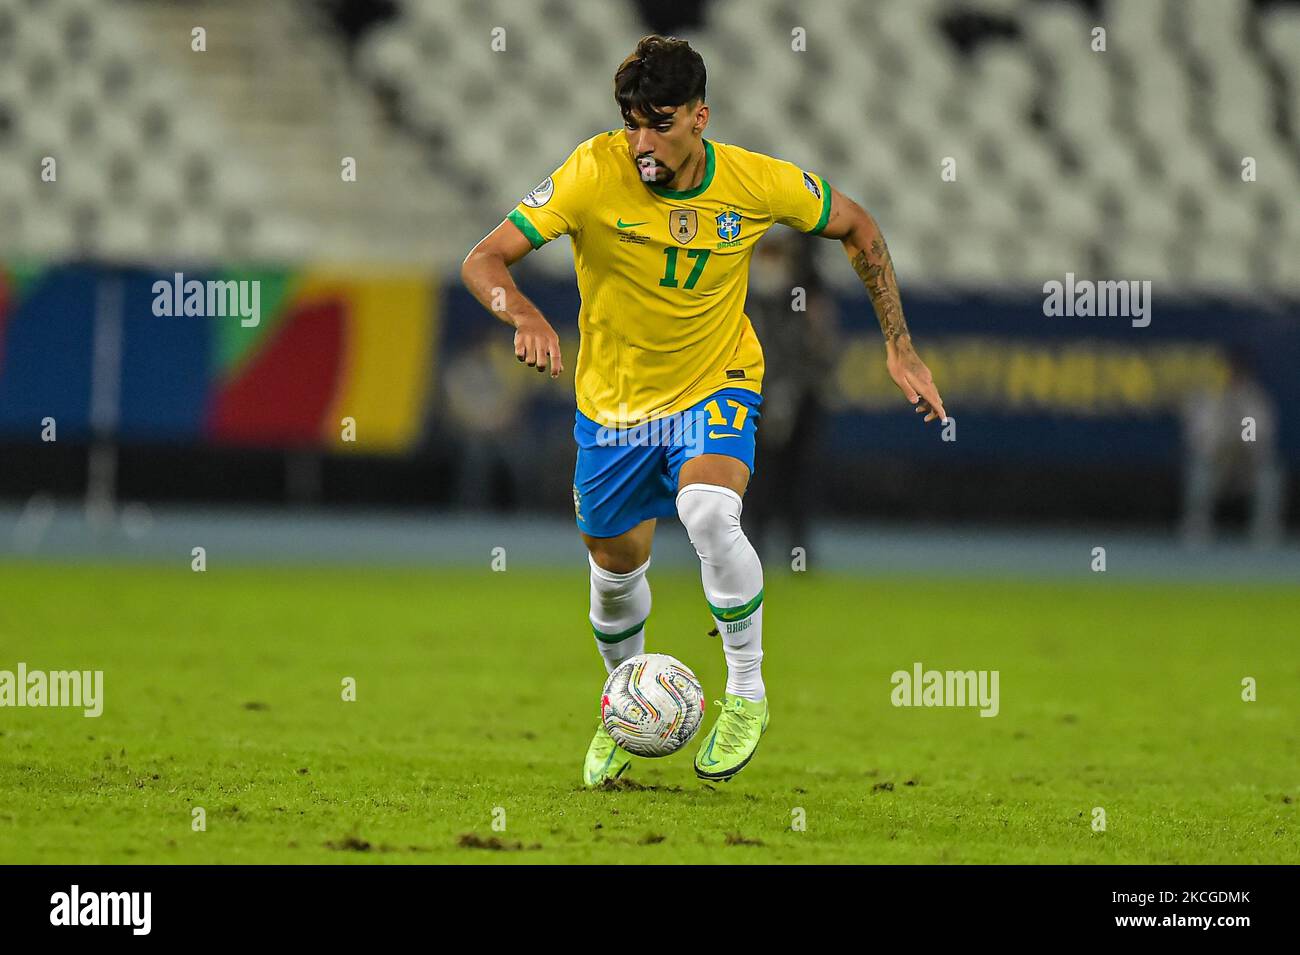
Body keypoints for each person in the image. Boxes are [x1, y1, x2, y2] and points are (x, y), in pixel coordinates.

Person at [461, 35, 946, 786]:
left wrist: (901, 346)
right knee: (615, 569)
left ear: (701, 117)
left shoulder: (753, 183)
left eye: (661, 123)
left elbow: (858, 225)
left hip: (715, 382)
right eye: (631, 123)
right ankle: (624, 709)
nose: (642, 143)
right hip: (615, 405)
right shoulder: (592, 171)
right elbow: (482, 259)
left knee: (710, 512)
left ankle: (746, 693)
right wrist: (521, 313)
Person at [744, 231, 839, 566]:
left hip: (800, 395)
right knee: (758, 472)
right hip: (757, 394)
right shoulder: (746, 292)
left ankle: (797, 547)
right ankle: (754, 544)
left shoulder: (805, 291)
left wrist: (792, 389)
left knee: (797, 472)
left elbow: (819, 348)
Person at [1179, 349, 1286, 549]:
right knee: (1200, 471)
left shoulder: (1253, 400)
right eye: (1229, 371)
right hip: (1217, 466)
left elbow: (1258, 440)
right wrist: (1220, 445)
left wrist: (1242, 442)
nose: (1232, 377)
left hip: (1246, 469)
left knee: (1269, 475)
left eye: (1237, 372)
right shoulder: (1208, 398)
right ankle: (1196, 529)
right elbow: (1199, 438)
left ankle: (1264, 533)